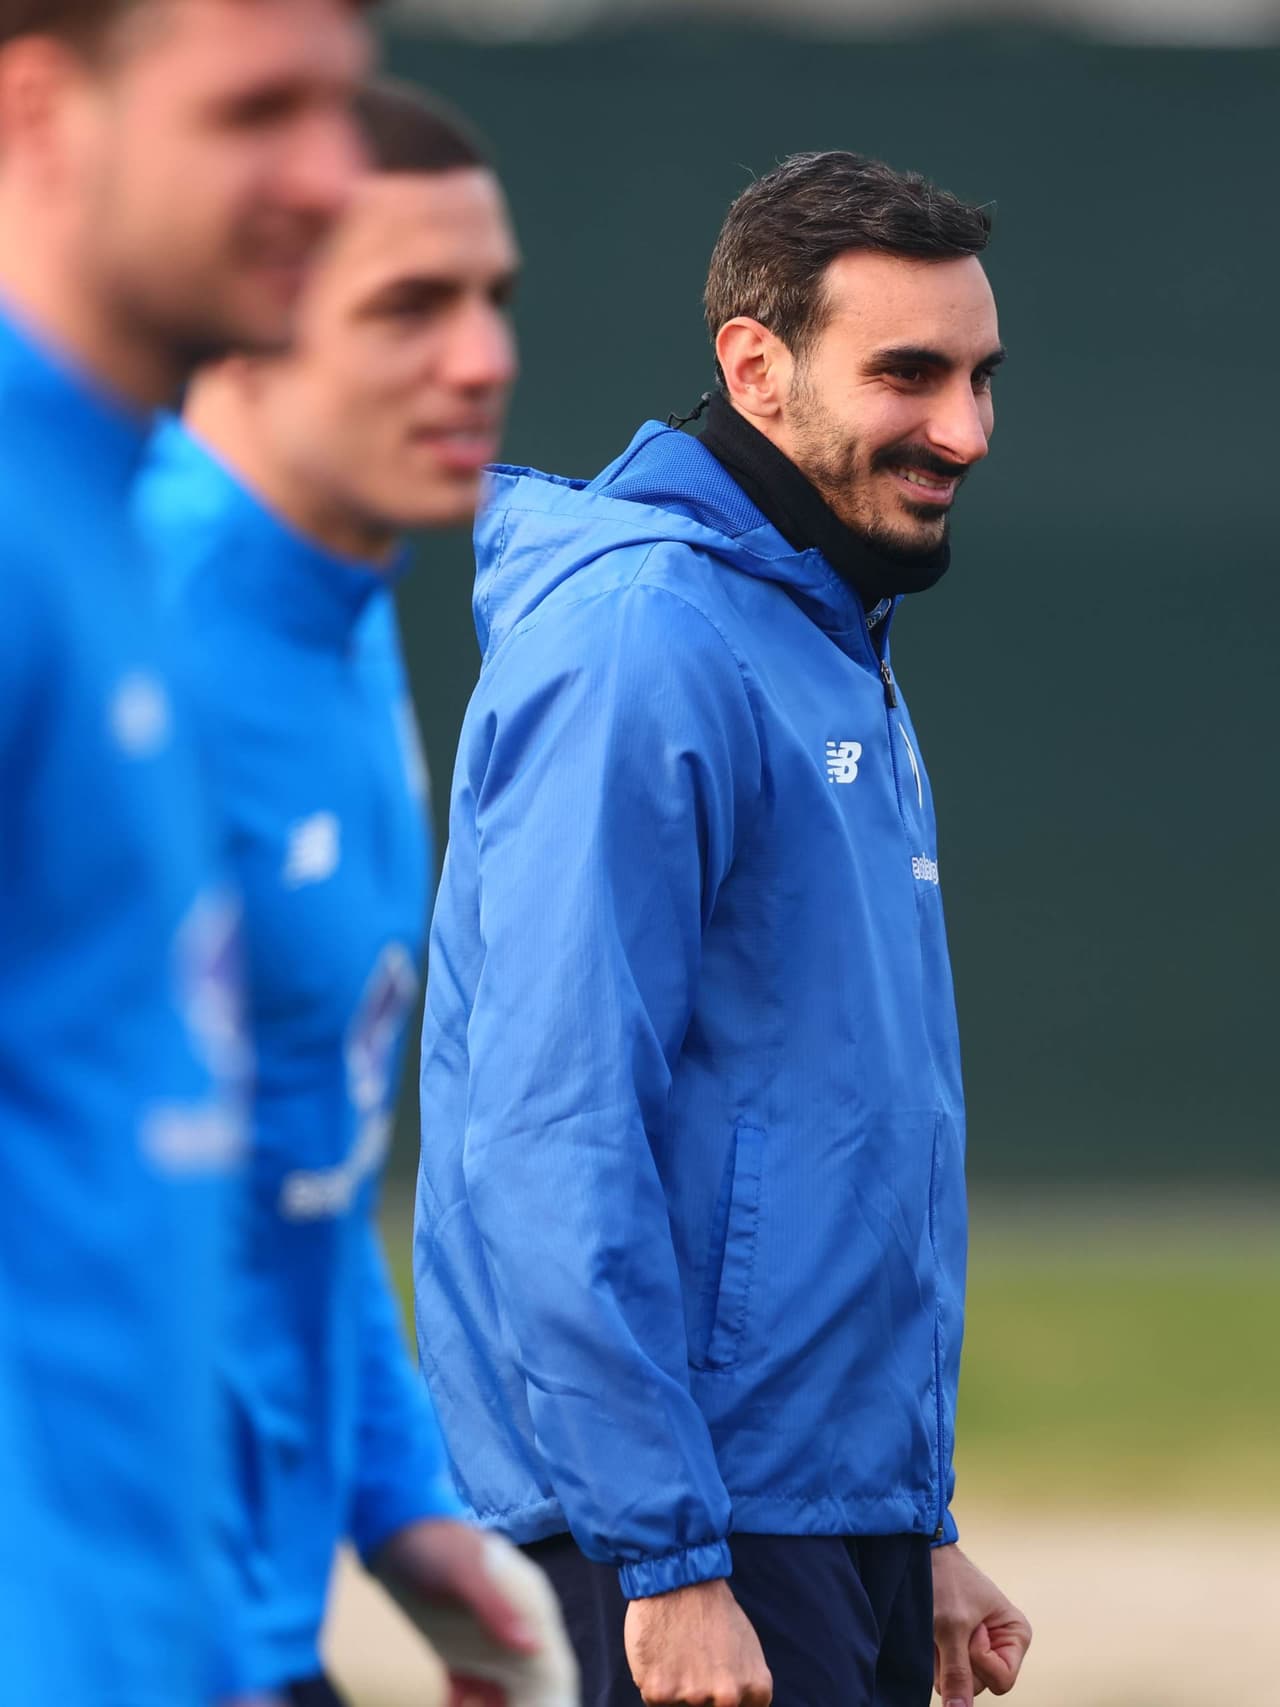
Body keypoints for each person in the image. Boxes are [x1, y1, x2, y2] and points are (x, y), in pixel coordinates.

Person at [414, 150, 1035, 1707]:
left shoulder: (827, 634)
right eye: (908, 374)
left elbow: (821, 1120)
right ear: (754, 367)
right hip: (681, 1544)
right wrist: (668, 1555)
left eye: (978, 376)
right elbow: (549, 1130)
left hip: (814, 1520)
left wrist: (910, 1521)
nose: (963, 429)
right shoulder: (644, 638)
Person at [135, 81, 578, 1707]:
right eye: (409, 306)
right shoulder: (110, 635)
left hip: (251, 1634)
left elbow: (292, 1184)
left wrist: (408, 1516)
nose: (482, 357)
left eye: (492, 299)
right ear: (244, 309)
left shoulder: (349, 610)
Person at [0, 0, 370, 1701]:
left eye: (344, 111)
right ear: (44, 113)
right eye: (254, 113)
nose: (331, 176)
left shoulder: (115, 519)